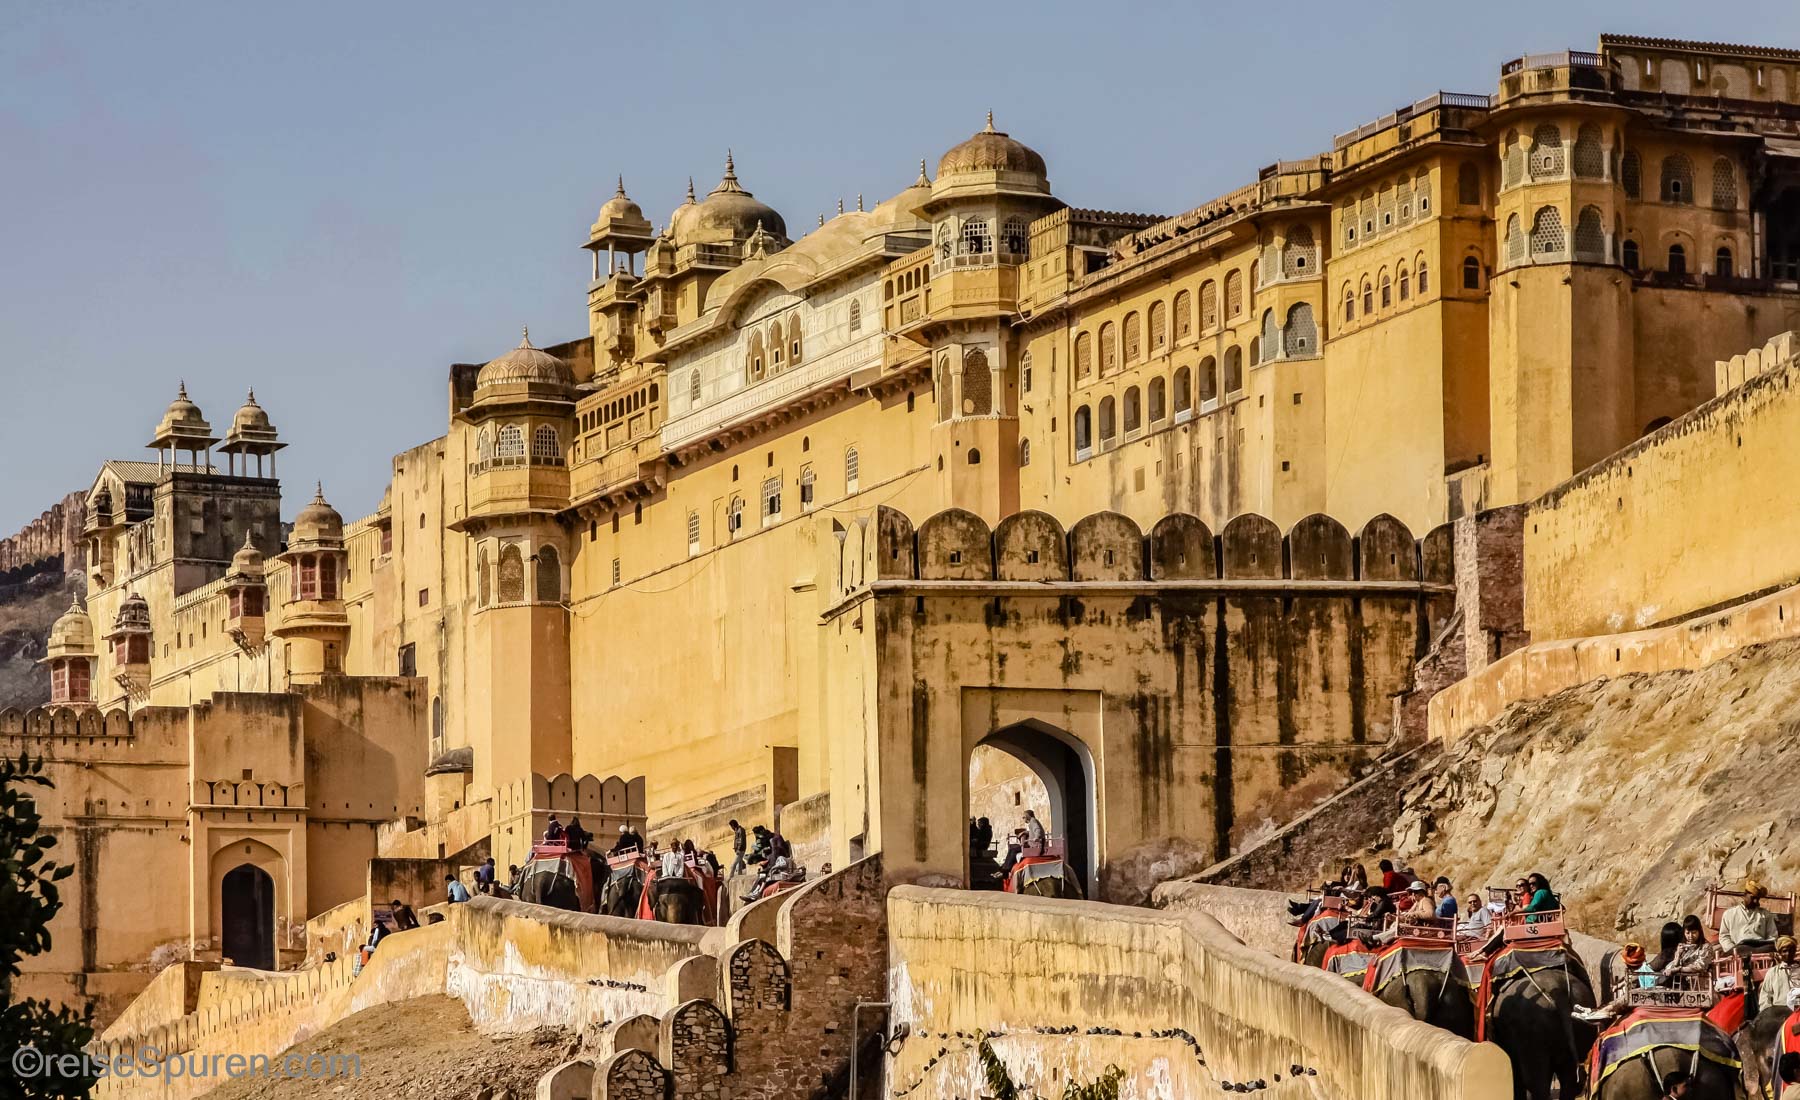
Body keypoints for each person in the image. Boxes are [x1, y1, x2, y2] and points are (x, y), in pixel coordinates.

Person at [1721, 880, 1780, 955]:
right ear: (1744, 895)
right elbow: (1724, 936)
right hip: (1740, 949)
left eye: (1757, 899)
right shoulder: (1729, 914)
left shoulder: (1766, 915)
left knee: (1772, 948)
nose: (1755, 901)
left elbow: (1773, 936)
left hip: (1761, 949)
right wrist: (1733, 950)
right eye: (1753, 898)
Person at [1657, 915, 1715, 987]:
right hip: (1678, 980)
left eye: (1694, 932)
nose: (1690, 936)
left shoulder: (1705, 947)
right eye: (1687, 933)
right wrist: (1678, 954)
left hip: (1696, 983)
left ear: (1699, 931)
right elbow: (1674, 965)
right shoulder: (1683, 945)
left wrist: (1678, 969)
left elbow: (1699, 966)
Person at [1762, 937, 1799, 1012]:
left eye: (1791, 950)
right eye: (1784, 951)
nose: (1788, 954)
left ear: (1795, 951)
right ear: (1779, 953)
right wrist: (1767, 1013)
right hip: (1779, 1012)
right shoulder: (1772, 972)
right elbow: (1765, 995)